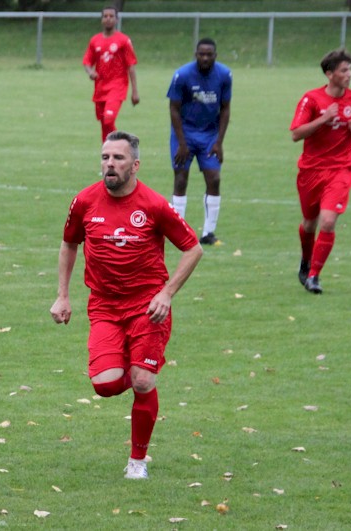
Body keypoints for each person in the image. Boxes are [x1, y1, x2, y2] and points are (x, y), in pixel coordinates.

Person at [49, 131, 203, 479]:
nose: (109, 164)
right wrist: (63, 294)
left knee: (143, 382)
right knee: (104, 385)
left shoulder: (154, 204)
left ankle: (137, 461)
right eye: (105, 157)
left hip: (148, 307)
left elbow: (193, 249)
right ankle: (138, 373)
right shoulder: (84, 201)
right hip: (104, 306)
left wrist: (167, 293)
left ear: (135, 165)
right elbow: (69, 244)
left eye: (118, 158)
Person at [290, 49, 351, 294]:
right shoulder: (311, 99)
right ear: (329, 73)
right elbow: (296, 133)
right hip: (311, 171)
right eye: (344, 70)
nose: (349, 75)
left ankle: (314, 275)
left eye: (350, 70)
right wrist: (323, 120)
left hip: (341, 170)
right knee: (309, 223)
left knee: (327, 221)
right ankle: (306, 260)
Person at [168, 37, 232, 246]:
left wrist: (219, 142)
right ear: (196, 54)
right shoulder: (182, 75)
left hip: (209, 135)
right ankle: (178, 230)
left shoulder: (224, 75)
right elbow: (174, 109)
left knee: (214, 179)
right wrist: (182, 143)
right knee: (181, 179)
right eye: (201, 54)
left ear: (215, 56)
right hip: (184, 132)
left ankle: (208, 233)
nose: (205, 58)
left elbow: (225, 109)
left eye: (209, 54)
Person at [82, 6, 140, 142]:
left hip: (117, 86)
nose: (108, 19)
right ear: (101, 19)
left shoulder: (123, 40)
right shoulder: (95, 40)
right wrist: (90, 72)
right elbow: (87, 61)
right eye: (105, 16)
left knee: (108, 120)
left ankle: (122, 145)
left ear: (116, 19)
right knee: (104, 124)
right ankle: (107, 154)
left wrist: (135, 92)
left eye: (111, 16)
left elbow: (131, 66)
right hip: (100, 88)